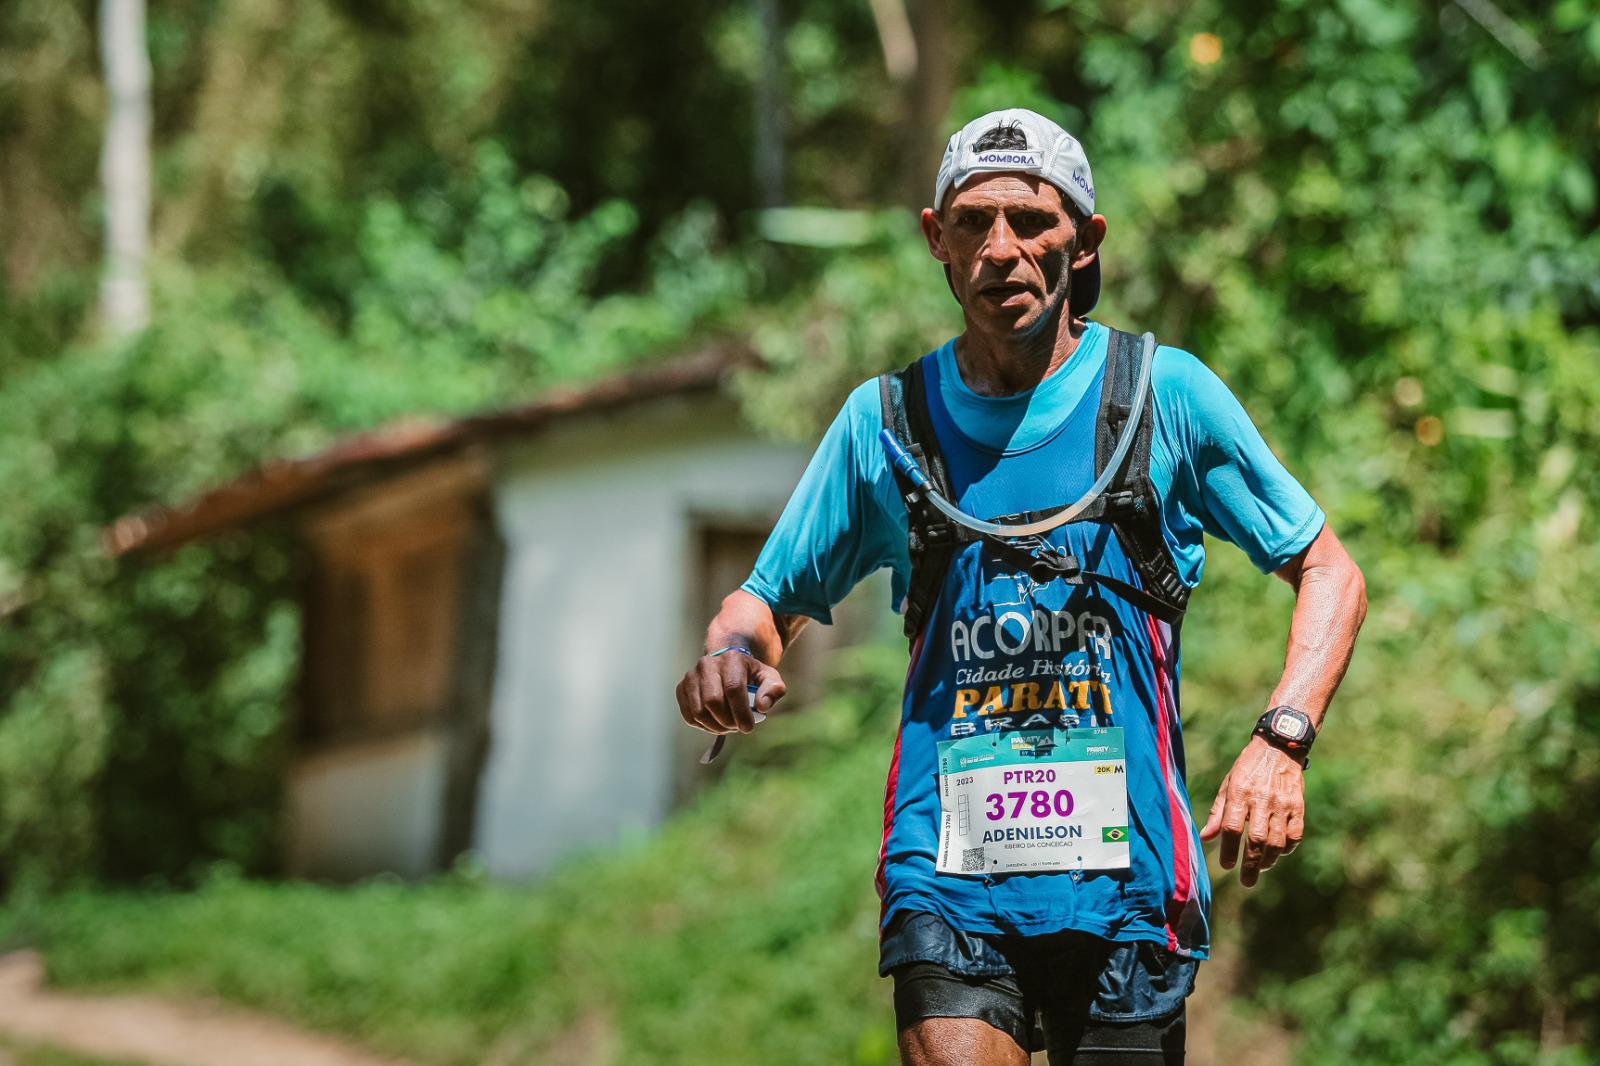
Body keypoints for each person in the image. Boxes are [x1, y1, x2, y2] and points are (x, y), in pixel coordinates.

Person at [675, 108, 1367, 1065]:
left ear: (1084, 241)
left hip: (1129, 881)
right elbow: (765, 602)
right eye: (974, 222)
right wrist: (728, 658)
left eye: (1033, 221)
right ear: (937, 241)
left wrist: (1281, 740)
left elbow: (1329, 568)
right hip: (950, 875)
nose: (1003, 249)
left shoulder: (1165, 397)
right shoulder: (886, 424)